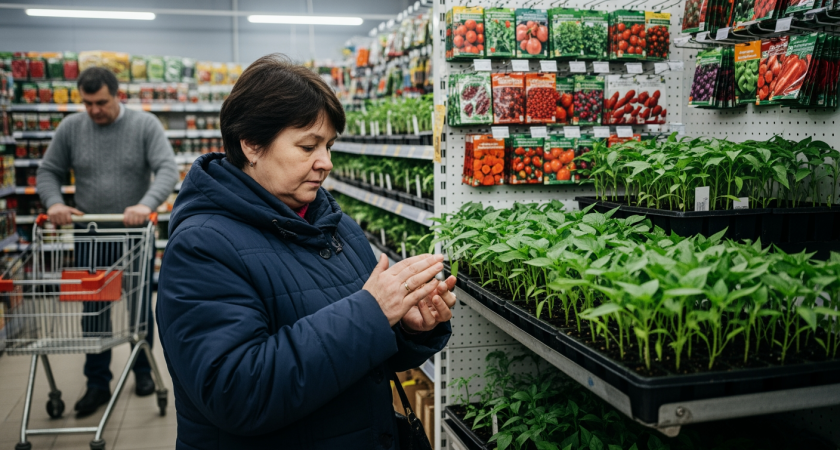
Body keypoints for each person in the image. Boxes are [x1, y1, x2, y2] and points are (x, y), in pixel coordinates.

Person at [156, 53, 455, 450]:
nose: (326, 162)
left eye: (329, 145)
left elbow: (359, 355)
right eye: (307, 146)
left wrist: (408, 327)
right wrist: (372, 313)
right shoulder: (202, 246)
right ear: (251, 144)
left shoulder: (335, 226)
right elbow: (235, 392)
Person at [37, 67, 179, 417]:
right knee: (93, 309)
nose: (94, 110)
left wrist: (145, 205)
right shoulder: (71, 128)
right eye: (87, 103)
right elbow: (48, 171)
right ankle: (97, 382)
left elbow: (167, 170)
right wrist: (54, 203)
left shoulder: (145, 125)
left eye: (101, 102)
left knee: (138, 306)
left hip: (134, 234)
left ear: (117, 95)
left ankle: (143, 371)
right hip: (92, 234)